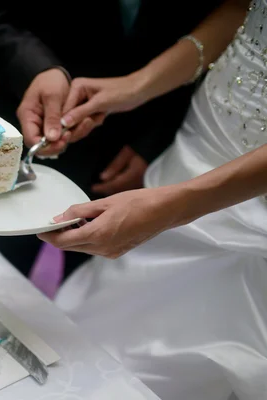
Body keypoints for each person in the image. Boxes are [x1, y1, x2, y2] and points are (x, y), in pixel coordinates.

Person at [39, 0, 267, 398]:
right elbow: (243, 10)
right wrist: (136, 86)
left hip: (251, 205)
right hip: (204, 132)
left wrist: (172, 206)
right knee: (98, 330)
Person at [0, 0, 221, 279]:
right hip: (21, 120)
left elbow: (219, 44)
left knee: (90, 286)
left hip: (126, 152)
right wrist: (36, 69)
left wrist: (152, 143)